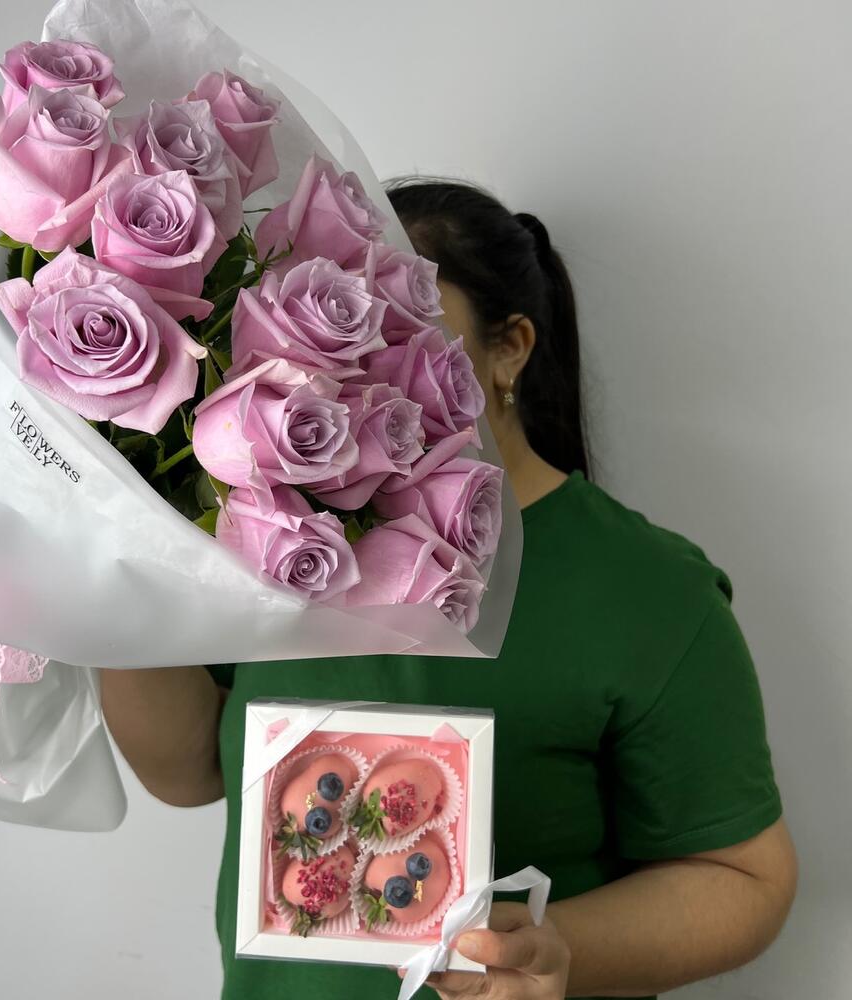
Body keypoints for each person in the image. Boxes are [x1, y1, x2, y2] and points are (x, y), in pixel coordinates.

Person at [100, 178, 797, 1000]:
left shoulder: (650, 589)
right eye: (340, 332)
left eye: (407, 326)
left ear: (510, 349)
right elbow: (189, 773)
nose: (364, 367)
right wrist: (102, 583)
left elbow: (748, 879)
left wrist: (554, 948)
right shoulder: (273, 539)